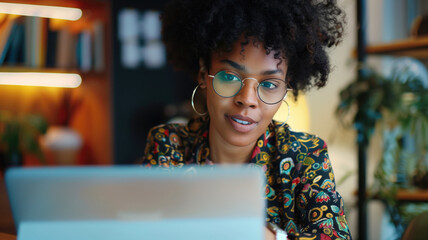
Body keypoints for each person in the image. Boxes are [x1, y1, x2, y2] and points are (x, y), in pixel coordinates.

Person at [141, 0, 352, 239]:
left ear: (286, 88)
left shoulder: (306, 155)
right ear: (203, 74)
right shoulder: (169, 145)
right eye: (230, 77)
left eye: (270, 84)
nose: (247, 99)